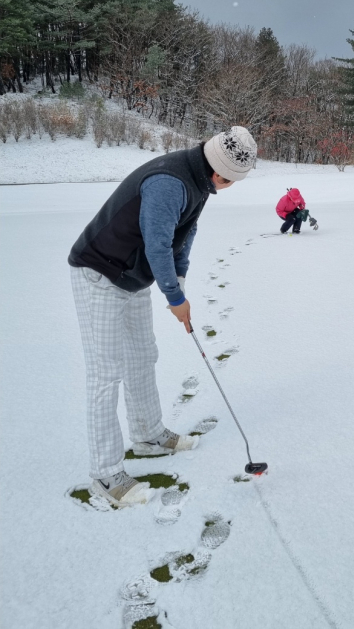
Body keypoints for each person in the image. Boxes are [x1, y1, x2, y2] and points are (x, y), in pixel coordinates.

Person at [68, 126, 257, 507]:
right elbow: (156, 244)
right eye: (235, 179)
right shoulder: (169, 182)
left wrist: (180, 283)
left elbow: (182, 238)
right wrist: (173, 297)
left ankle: (148, 436)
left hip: (131, 277)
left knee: (142, 357)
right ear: (221, 172)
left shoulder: (200, 182)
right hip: (99, 272)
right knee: (106, 374)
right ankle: (106, 476)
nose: (232, 184)